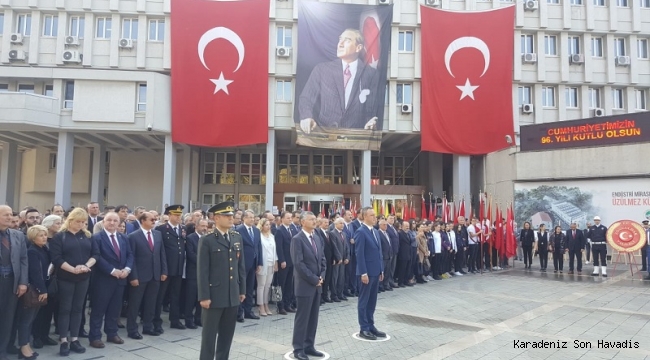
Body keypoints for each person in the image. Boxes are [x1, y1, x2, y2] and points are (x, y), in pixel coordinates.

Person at [298, 29, 379, 133]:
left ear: (358, 48)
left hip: (354, 139)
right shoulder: (322, 70)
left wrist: (369, 124)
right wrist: (306, 117)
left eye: (347, 40)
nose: (340, 44)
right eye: (340, 39)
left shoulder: (370, 74)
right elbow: (306, 98)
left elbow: (370, 108)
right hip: (324, 137)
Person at [198, 202, 245, 360]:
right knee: (209, 337)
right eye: (227, 216)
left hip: (232, 294)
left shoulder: (236, 237)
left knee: (227, 336)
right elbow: (202, 271)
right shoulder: (208, 240)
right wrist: (204, 296)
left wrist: (242, 290)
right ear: (216, 218)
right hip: (214, 295)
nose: (231, 219)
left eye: (232, 216)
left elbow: (240, 267)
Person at [49, 208, 99, 356]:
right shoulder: (60, 237)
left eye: (83, 222)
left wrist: (86, 266)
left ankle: (74, 339)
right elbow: (56, 258)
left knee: (78, 309)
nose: (81, 225)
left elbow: (96, 254)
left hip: (83, 277)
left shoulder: (88, 236)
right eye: (78, 222)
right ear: (70, 220)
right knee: (65, 309)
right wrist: (72, 269)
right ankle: (64, 340)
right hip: (66, 278)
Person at [88, 212, 133, 348]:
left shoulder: (123, 237)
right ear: (103, 222)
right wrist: (112, 271)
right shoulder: (96, 238)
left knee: (115, 308)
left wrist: (127, 269)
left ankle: (112, 333)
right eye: (109, 220)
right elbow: (97, 257)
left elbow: (130, 255)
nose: (112, 223)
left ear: (119, 223)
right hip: (103, 279)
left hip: (120, 279)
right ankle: (95, 336)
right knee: (98, 309)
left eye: (115, 220)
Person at [290, 212, 326, 360]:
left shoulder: (316, 237)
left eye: (314, 219)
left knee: (313, 318)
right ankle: (298, 348)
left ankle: (309, 345)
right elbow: (299, 264)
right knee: (302, 319)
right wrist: (314, 279)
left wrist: (321, 276)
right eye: (311, 219)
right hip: (305, 285)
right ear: (303, 222)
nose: (314, 221)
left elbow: (322, 259)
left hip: (317, 285)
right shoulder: (297, 239)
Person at [126, 212, 167, 339]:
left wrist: (164, 271)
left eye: (155, 219)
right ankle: (132, 329)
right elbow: (131, 257)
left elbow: (161, 254)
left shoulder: (157, 234)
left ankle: (148, 327)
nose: (154, 221)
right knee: (135, 304)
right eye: (152, 219)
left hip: (155, 274)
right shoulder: (133, 236)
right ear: (143, 221)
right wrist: (133, 276)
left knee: (151, 303)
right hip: (140, 276)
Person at [0, 205, 29, 360]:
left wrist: (23, 282)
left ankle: (2, 351)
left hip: (12, 282)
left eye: (11, 214)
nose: (10, 217)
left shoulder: (18, 235)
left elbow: (24, 260)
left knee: (7, 318)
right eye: (6, 215)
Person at [354, 207, 386, 341]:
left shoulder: (376, 232)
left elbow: (379, 252)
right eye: (372, 215)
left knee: (372, 301)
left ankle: (371, 325)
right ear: (364, 216)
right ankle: (364, 328)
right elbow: (359, 254)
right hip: (366, 272)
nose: (375, 218)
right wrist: (363, 273)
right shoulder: (361, 232)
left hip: (375, 271)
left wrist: (381, 269)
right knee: (364, 301)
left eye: (375, 215)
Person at [154, 205, 187, 332]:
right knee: (160, 296)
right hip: (166, 268)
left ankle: (175, 320)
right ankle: (156, 321)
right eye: (176, 215)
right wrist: (163, 269)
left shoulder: (183, 228)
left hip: (178, 268)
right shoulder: (161, 229)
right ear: (169, 215)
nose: (179, 217)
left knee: (176, 295)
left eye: (180, 215)